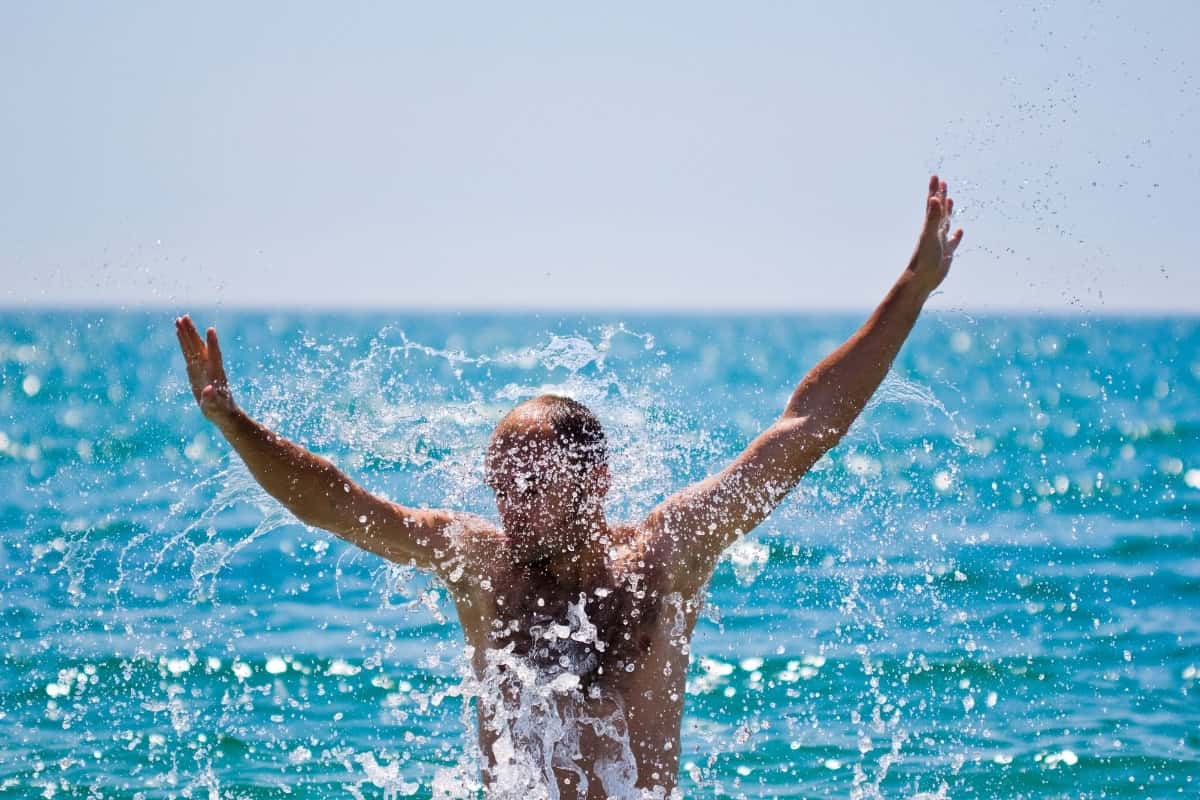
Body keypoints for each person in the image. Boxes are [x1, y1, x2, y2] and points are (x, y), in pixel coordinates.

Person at [174, 176, 964, 799]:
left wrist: (915, 287)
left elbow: (805, 430)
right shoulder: (480, 567)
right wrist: (234, 424)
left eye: (532, 481)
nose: (511, 501)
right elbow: (338, 506)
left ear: (596, 481)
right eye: (501, 482)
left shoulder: (669, 555)